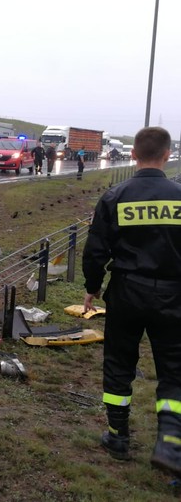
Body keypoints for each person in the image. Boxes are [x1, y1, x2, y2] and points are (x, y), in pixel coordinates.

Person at [82, 126, 181, 477]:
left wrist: (92, 287)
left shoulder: (115, 196)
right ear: (167, 154)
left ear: (134, 155)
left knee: (119, 362)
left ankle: (117, 437)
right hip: (174, 295)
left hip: (127, 291)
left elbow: (96, 249)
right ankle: (170, 442)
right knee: (174, 368)